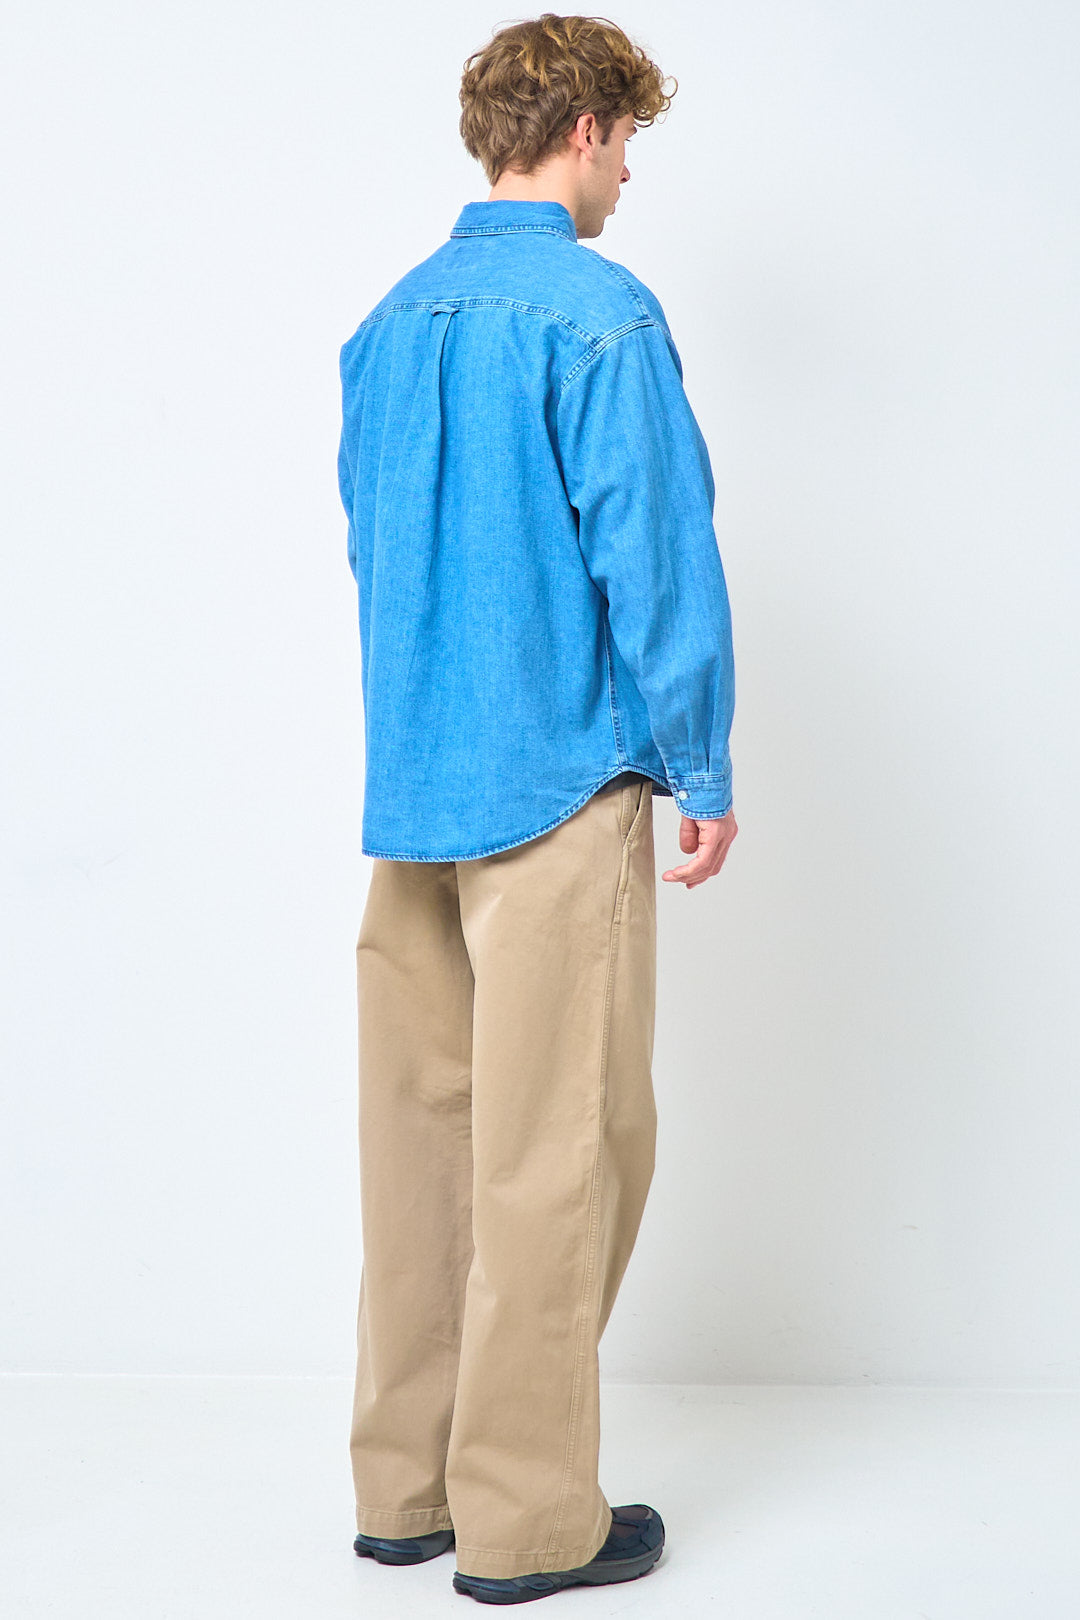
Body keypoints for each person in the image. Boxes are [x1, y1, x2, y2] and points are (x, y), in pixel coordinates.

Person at [335, 11, 737, 1605]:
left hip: (413, 795)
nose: (628, 174)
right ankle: (527, 1524)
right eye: (626, 142)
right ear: (582, 128)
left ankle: (406, 1487)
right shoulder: (600, 316)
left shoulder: (385, 326)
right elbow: (657, 557)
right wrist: (701, 762)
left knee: (420, 1149)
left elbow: (374, 557)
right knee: (559, 1151)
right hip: (558, 788)